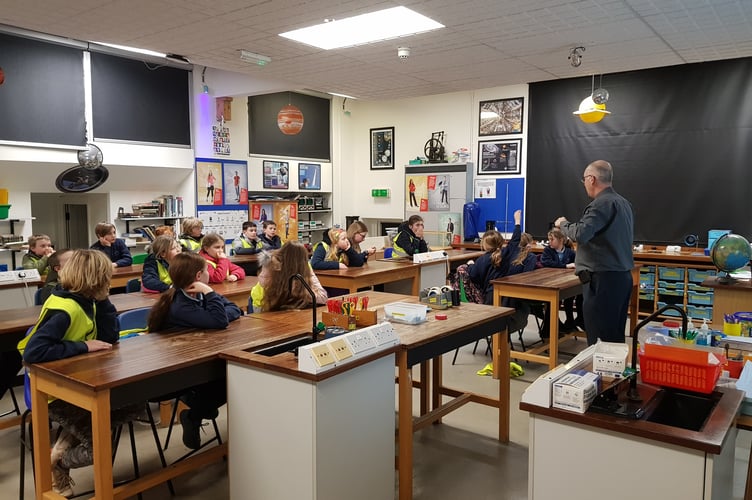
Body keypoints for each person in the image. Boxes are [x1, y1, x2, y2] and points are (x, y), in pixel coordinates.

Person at [17, 250, 136, 497]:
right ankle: (58, 462)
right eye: (106, 276)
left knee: (135, 403)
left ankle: (66, 439)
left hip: (84, 379)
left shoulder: (87, 300)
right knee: (98, 448)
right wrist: (83, 346)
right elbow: (32, 352)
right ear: (97, 278)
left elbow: (110, 338)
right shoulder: (65, 308)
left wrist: (104, 301)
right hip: (54, 390)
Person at [147, 252, 242, 449]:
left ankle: (198, 410)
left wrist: (213, 303)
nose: (210, 273)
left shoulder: (196, 294)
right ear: (199, 276)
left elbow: (233, 309)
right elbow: (219, 321)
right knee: (231, 381)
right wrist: (210, 293)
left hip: (199, 355)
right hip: (179, 371)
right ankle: (195, 412)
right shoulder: (180, 304)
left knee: (235, 378)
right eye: (207, 270)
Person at [555, 160, 634, 345]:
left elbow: (581, 233)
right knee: (614, 334)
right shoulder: (624, 203)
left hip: (603, 280)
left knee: (599, 339)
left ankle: (601, 373)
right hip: (621, 278)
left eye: (584, 180)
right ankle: (613, 373)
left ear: (591, 179)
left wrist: (563, 224)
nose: (584, 185)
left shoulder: (601, 204)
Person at [261, 241, 327, 311]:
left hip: (276, 309)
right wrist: (303, 292)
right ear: (303, 260)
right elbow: (322, 298)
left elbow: (322, 297)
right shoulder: (273, 268)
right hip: (264, 305)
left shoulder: (303, 270)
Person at [541, 228, 584, 332]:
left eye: (552, 239)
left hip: (566, 282)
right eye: (549, 239)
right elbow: (547, 263)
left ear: (561, 240)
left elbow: (577, 263)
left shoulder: (570, 252)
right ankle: (552, 326)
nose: (549, 242)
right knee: (556, 300)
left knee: (572, 296)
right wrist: (565, 266)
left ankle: (571, 321)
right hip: (551, 283)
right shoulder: (547, 251)